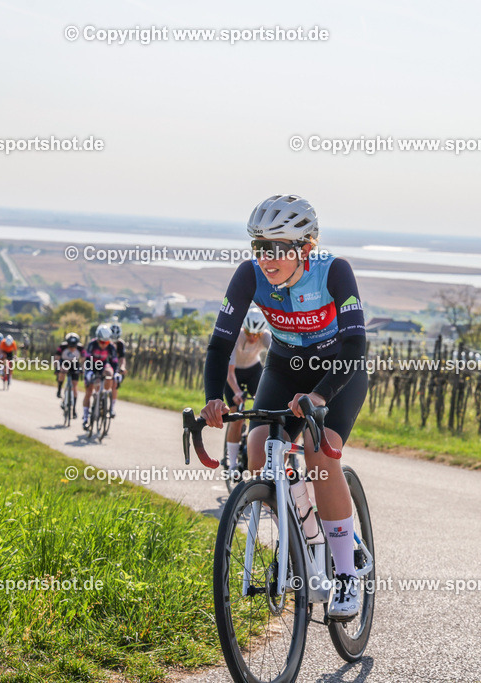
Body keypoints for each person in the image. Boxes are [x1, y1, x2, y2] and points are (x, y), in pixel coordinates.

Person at [199, 194, 368, 620]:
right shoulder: (250, 275)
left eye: (277, 248)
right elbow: (220, 344)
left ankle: (346, 573)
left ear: (305, 248)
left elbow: (355, 345)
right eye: (259, 246)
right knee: (259, 452)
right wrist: (213, 398)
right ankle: (310, 532)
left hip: (338, 371)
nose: (267, 258)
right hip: (285, 367)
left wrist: (321, 396)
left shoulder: (334, 271)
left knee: (318, 452)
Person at [223, 307, 271, 476]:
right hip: (233, 373)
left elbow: (278, 355)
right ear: (245, 329)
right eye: (250, 333)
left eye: (256, 335)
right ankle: (232, 464)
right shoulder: (236, 337)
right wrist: (237, 392)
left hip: (253, 370)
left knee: (262, 407)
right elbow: (229, 373)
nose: (252, 338)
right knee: (236, 416)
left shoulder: (266, 337)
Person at [82, 324, 118, 429]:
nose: (104, 345)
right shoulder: (92, 344)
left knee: (110, 373)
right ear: (97, 339)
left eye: (106, 342)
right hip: (91, 366)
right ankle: (85, 417)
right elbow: (87, 360)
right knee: (88, 392)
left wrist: (116, 373)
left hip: (103, 365)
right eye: (102, 342)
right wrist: (88, 372)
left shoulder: (111, 346)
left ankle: (104, 395)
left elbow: (114, 361)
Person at [109, 323, 126, 413]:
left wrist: (122, 367)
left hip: (114, 366)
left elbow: (122, 358)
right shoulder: (105, 342)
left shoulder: (121, 344)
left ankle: (112, 407)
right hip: (104, 364)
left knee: (115, 385)